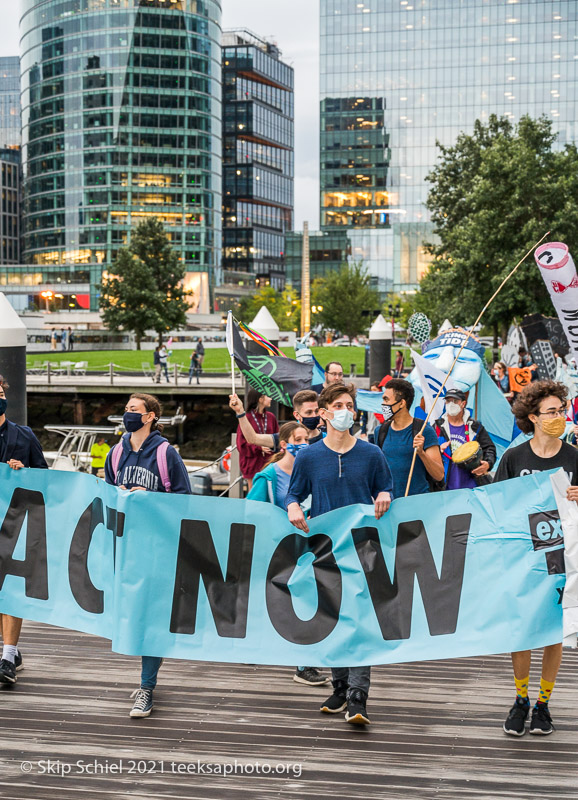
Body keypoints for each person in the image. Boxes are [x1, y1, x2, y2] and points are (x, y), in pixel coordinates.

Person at [285, 383, 393, 725]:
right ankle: (340, 685)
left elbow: (385, 485)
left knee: (359, 620)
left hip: (364, 548)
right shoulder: (309, 456)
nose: (347, 410)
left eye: (351, 404)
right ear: (325, 412)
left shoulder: (371, 452)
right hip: (326, 548)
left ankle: (359, 696)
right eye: (340, 405)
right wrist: (291, 507)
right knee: (332, 617)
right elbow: (294, 493)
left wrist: (385, 494)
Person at [494, 380, 578, 737]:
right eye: (553, 411)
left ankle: (544, 703)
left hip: (564, 557)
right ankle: (521, 699)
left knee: (553, 632)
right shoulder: (515, 457)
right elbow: (496, 505)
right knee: (522, 631)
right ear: (533, 417)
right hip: (523, 556)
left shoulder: (574, 456)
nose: (560, 416)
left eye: (562, 410)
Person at [104, 393, 191, 718]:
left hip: (159, 549)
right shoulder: (115, 454)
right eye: (126, 408)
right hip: (127, 549)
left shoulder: (166, 454)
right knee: (134, 617)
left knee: (152, 618)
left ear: (151, 416)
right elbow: (107, 497)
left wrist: (150, 497)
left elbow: (185, 501)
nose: (128, 414)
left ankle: (147, 688)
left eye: (134, 410)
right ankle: (146, 679)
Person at [248, 420, 330, 688]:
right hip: (279, 550)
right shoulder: (269, 477)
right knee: (285, 604)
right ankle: (291, 658)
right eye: (298, 440)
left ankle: (304, 664)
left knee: (308, 603)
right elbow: (251, 513)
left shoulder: (313, 471)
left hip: (310, 548)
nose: (304, 445)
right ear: (284, 445)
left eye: (307, 439)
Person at [0, 382, 48, 685]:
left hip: (15, 523)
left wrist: (24, 472)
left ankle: (8, 655)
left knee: (11, 591)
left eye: (1, 395)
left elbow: (44, 475)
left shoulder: (24, 435)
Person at [375, 378, 444, 498]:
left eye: (386, 399)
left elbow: (439, 475)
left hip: (418, 504)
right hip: (389, 505)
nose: (383, 404)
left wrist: (421, 453)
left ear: (402, 403)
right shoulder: (380, 431)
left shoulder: (424, 431)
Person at [434, 389, 496, 490]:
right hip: (445, 487)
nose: (451, 404)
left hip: (472, 486)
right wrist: (438, 450)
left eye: (455, 401)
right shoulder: (437, 427)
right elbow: (429, 453)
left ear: (463, 404)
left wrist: (488, 464)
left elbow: (489, 448)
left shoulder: (475, 427)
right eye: (448, 401)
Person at [236, 388, 279, 491]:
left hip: (269, 461)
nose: (271, 398)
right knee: (254, 492)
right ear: (260, 399)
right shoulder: (246, 418)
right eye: (268, 396)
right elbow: (241, 443)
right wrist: (259, 447)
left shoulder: (271, 417)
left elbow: (278, 438)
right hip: (252, 462)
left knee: (271, 491)